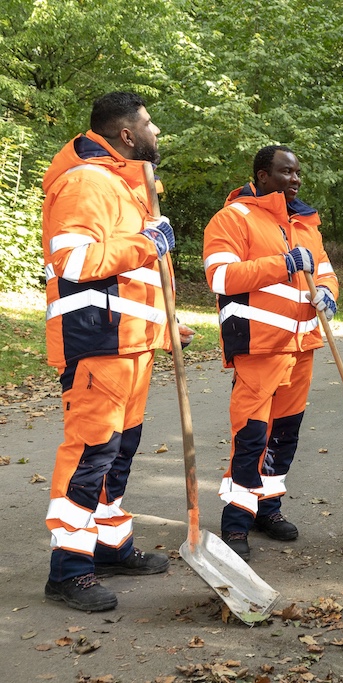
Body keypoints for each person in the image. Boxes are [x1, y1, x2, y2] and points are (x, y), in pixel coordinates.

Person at [41, 91, 194, 612]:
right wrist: (147, 242)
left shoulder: (127, 187)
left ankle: (108, 546)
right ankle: (68, 569)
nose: (157, 133)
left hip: (131, 341)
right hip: (97, 341)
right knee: (89, 453)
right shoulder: (86, 181)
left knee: (118, 452)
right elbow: (74, 261)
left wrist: (165, 322)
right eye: (150, 123)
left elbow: (130, 278)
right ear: (126, 134)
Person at [202, 145, 339, 561]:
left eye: (298, 172)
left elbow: (326, 272)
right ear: (262, 176)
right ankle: (237, 521)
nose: (295, 179)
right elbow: (221, 276)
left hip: (302, 347)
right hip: (258, 348)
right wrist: (284, 263)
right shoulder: (233, 218)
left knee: (284, 436)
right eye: (286, 172)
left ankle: (268, 508)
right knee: (251, 437)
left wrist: (328, 294)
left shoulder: (306, 224)